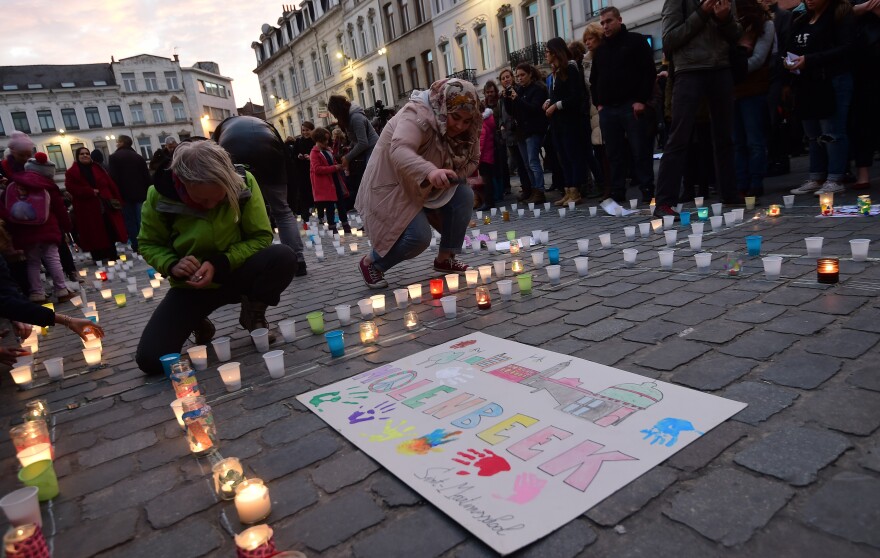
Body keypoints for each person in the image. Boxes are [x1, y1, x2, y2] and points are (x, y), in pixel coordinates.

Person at [135, 140, 296, 375]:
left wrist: (221, 262)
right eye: (201, 200)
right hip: (191, 286)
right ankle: (197, 322)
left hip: (235, 272)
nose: (210, 206)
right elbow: (149, 244)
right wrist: (172, 264)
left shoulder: (244, 183)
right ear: (182, 181)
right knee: (151, 360)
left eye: (219, 199)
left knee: (283, 256)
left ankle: (253, 314)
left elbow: (261, 237)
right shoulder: (158, 196)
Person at [355, 78, 481, 288]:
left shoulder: (471, 125)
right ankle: (372, 263)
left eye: (466, 120)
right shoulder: (416, 115)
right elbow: (400, 150)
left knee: (464, 195)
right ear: (443, 106)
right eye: (455, 117)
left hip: (427, 184)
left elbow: (473, 159)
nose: (460, 126)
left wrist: (453, 175)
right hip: (393, 185)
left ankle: (445, 258)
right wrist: (431, 171)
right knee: (418, 237)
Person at [656, 0, 742, 217]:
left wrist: (726, 19)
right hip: (689, 70)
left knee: (724, 136)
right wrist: (702, 13)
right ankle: (665, 201)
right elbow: (668, 40)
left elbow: (736, 34)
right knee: (679, 137)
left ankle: (729, 192)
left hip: (720, 67)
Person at [214, 116, 307, 274]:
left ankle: (249, 262)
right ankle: (298, 261)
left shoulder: (222, 130)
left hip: (234, 153)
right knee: (282, 211)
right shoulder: (265, 126)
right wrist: (292, 203)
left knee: (239, 210)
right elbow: (288, 163)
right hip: (270, 152)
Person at [786, 0, 855, 196]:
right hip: (807, 82)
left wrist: (810, 60)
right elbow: (789, 45)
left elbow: (846, 48)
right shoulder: (801, 19)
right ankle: (816, 176)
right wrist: (788, 61)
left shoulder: (839, 16)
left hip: (832, 79)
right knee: (812, 134)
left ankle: (835, 177)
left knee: (832, 132)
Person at [590, 7, 658, 203]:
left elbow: (648, 72)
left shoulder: (635, 41)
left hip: (631, 105)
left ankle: (647, 189)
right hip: (608, 109)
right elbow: (595, 80)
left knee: (640, 149)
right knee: (614, 153)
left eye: (609, 21)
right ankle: (617, 190)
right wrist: (599, 103)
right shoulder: (601, 49)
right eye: (602, 23)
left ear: (619, 20)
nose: (605, 26)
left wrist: (640, 100)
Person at [1, 153, 74, 303]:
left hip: (25, 230)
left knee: (33, 261)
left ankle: (36, 293)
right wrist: (66, 226)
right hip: (47, 227)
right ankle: (61, 289)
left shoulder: (15, 183)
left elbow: (6, 205)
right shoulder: (47, 185)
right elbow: (59, 208)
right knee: (53, 258)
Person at [733, 0, 776, 199]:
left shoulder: (765, 24)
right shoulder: (730, 24)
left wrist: (734, 70)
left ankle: (755, 182)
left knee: (754, 141)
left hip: (754, 88)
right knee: (737, 142)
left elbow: (759, 59)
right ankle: (741, 183)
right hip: (733, 91)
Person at [544, 38, 589, 207]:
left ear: (555, 52)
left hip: (569, 120)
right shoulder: (555, 72)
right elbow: (558, 94)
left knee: (572, 155)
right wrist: (549, 101)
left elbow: (575, 96)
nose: (546, 55)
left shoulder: (570, 67)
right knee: (562, 156)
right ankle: (568, 189)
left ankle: (575, 189)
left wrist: (556, 105)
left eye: (548, 52)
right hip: (557, 122)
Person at [64, 147, 128, 262]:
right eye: (82, 154)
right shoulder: (72, 172)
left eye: (87, 153)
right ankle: (98, 256)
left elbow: (109, 183)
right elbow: (71, 187)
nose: (85, 156)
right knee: (92, 232)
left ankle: (112, 254)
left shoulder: (97, 168)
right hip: (86, 207)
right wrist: (89, 191)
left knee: (109, 228)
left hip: (104, 203)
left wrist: (117, 198)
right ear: (77, 157)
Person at [505, 63, 549, 203]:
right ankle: (533, 190)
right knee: (526, 163)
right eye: (517, 76)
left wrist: (517, 99)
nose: (519, 78)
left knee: (533, 161)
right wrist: (507, 98)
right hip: (521, 132)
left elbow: (534, 109)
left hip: (533, 130)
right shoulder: (519, 90)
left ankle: (540, 191)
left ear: (530, 74)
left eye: (522, 75)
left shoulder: (537, 89)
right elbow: (512, 111)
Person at [848, 0, 879, 190]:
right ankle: (862, 173)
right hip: (860, 65)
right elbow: (839, 14)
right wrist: (865, 7)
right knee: (862, 121)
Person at [327, 95, 379, 201]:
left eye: (334, 114)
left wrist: (347, 157)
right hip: (367, 150)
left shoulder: (356, 118)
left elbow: (363, 142)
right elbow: (355, 141)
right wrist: (348, 150)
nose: (335, 117)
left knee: (370, 177)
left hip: (374, 150)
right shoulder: (350, 118)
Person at [582, 23, 612, 199]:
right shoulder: (586, 62)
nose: (587, 43)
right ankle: (607, 185)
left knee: (611, 150)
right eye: (585, 40)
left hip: (607, 105)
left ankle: (614, 185)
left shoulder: (606, 55)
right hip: (594, 109)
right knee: (600, 150)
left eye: (590, 39)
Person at [108, 135, 152, 252]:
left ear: (121, 143)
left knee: (130, 221)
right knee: (141, 219)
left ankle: (136, 244)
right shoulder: (138, 157)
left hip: (124, 195)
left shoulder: (114, 157)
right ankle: (147, 243)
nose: (116, 144)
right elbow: (146, 177)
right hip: (140, 194)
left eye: (117, 142)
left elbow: (113, 178)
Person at [498, 69, 533, 199]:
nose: (506, 79)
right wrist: (501, 124)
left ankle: (530, 188)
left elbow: (517, 110)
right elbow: (502, 113)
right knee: (518, 163)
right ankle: (525, 188)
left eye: (508, 77)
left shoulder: (517, 91)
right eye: (503, 78)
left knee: (525, 162)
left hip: (518, 131)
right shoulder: (502, 96)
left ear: (512, 78)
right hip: (508, 133)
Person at [309, 127, 351, 232]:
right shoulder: (314, 153)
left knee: (341, 203)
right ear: (318, 140)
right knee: (330, 207)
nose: (327, 142)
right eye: (325, 140)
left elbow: (333, 162)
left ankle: (345, 224)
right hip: (325, 184)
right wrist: (334, 168)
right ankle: (332, 227)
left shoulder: (328, 150)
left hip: (335, 180)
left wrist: (339, 166)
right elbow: (317, 169)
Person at [288, 123, 316, 223]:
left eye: (307, 130)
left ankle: (319, 212)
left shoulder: (315, 141)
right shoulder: (299, 141)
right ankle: (305, 216)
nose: (305, 132)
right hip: (301, 171)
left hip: (313, 170)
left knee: (314, 191)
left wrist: (311, 157)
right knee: (303, 193)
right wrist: (298, 156)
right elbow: (293, 155)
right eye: (303, 130)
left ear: (312, 130)